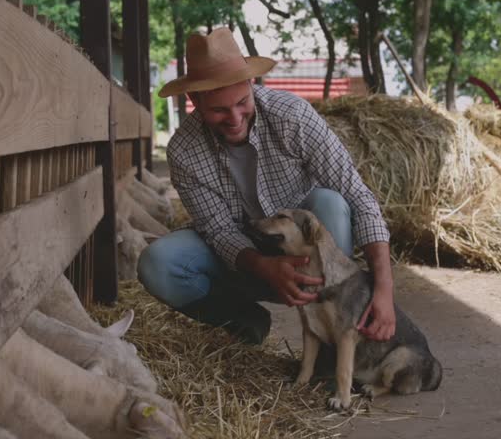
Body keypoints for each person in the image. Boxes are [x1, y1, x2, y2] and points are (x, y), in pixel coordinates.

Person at [137, 27, 395, 345]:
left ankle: (334, 340)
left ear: (252, 84)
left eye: (242, 102)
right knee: (157, 263)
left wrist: (384, 290)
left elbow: (357, 195)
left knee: (331, 202)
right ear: (194, 100)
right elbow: (218, 231)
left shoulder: (293, 116)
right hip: (243, 260)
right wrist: (265, 266)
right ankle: (244, 321)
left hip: (308, 256)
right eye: (218, 110)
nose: (234, 118)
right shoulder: (184, 151)